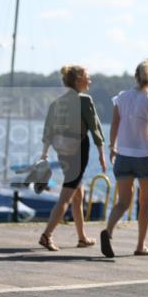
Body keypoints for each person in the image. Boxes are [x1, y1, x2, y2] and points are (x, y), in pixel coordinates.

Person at [100, 60, 148, 258]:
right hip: (145, 156)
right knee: (145, 202)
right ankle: (140, 245)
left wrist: (112, 146)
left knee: (122, 202)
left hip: (123, 155)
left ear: (136, 76)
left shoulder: (121, 98)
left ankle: (108, 231)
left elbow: (115, 123)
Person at [38, 65, 108, 251]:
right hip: (78, 152)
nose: (90, 81)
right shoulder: (84, 100)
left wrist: (44, 152)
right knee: (66, 196)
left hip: (63, 151)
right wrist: (102, 153)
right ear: (78, 80)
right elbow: (95, 127)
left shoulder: (57, 102)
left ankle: (82, 237)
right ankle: (47, 235)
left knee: (78, 195)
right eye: (87, 77)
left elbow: (48, 129)